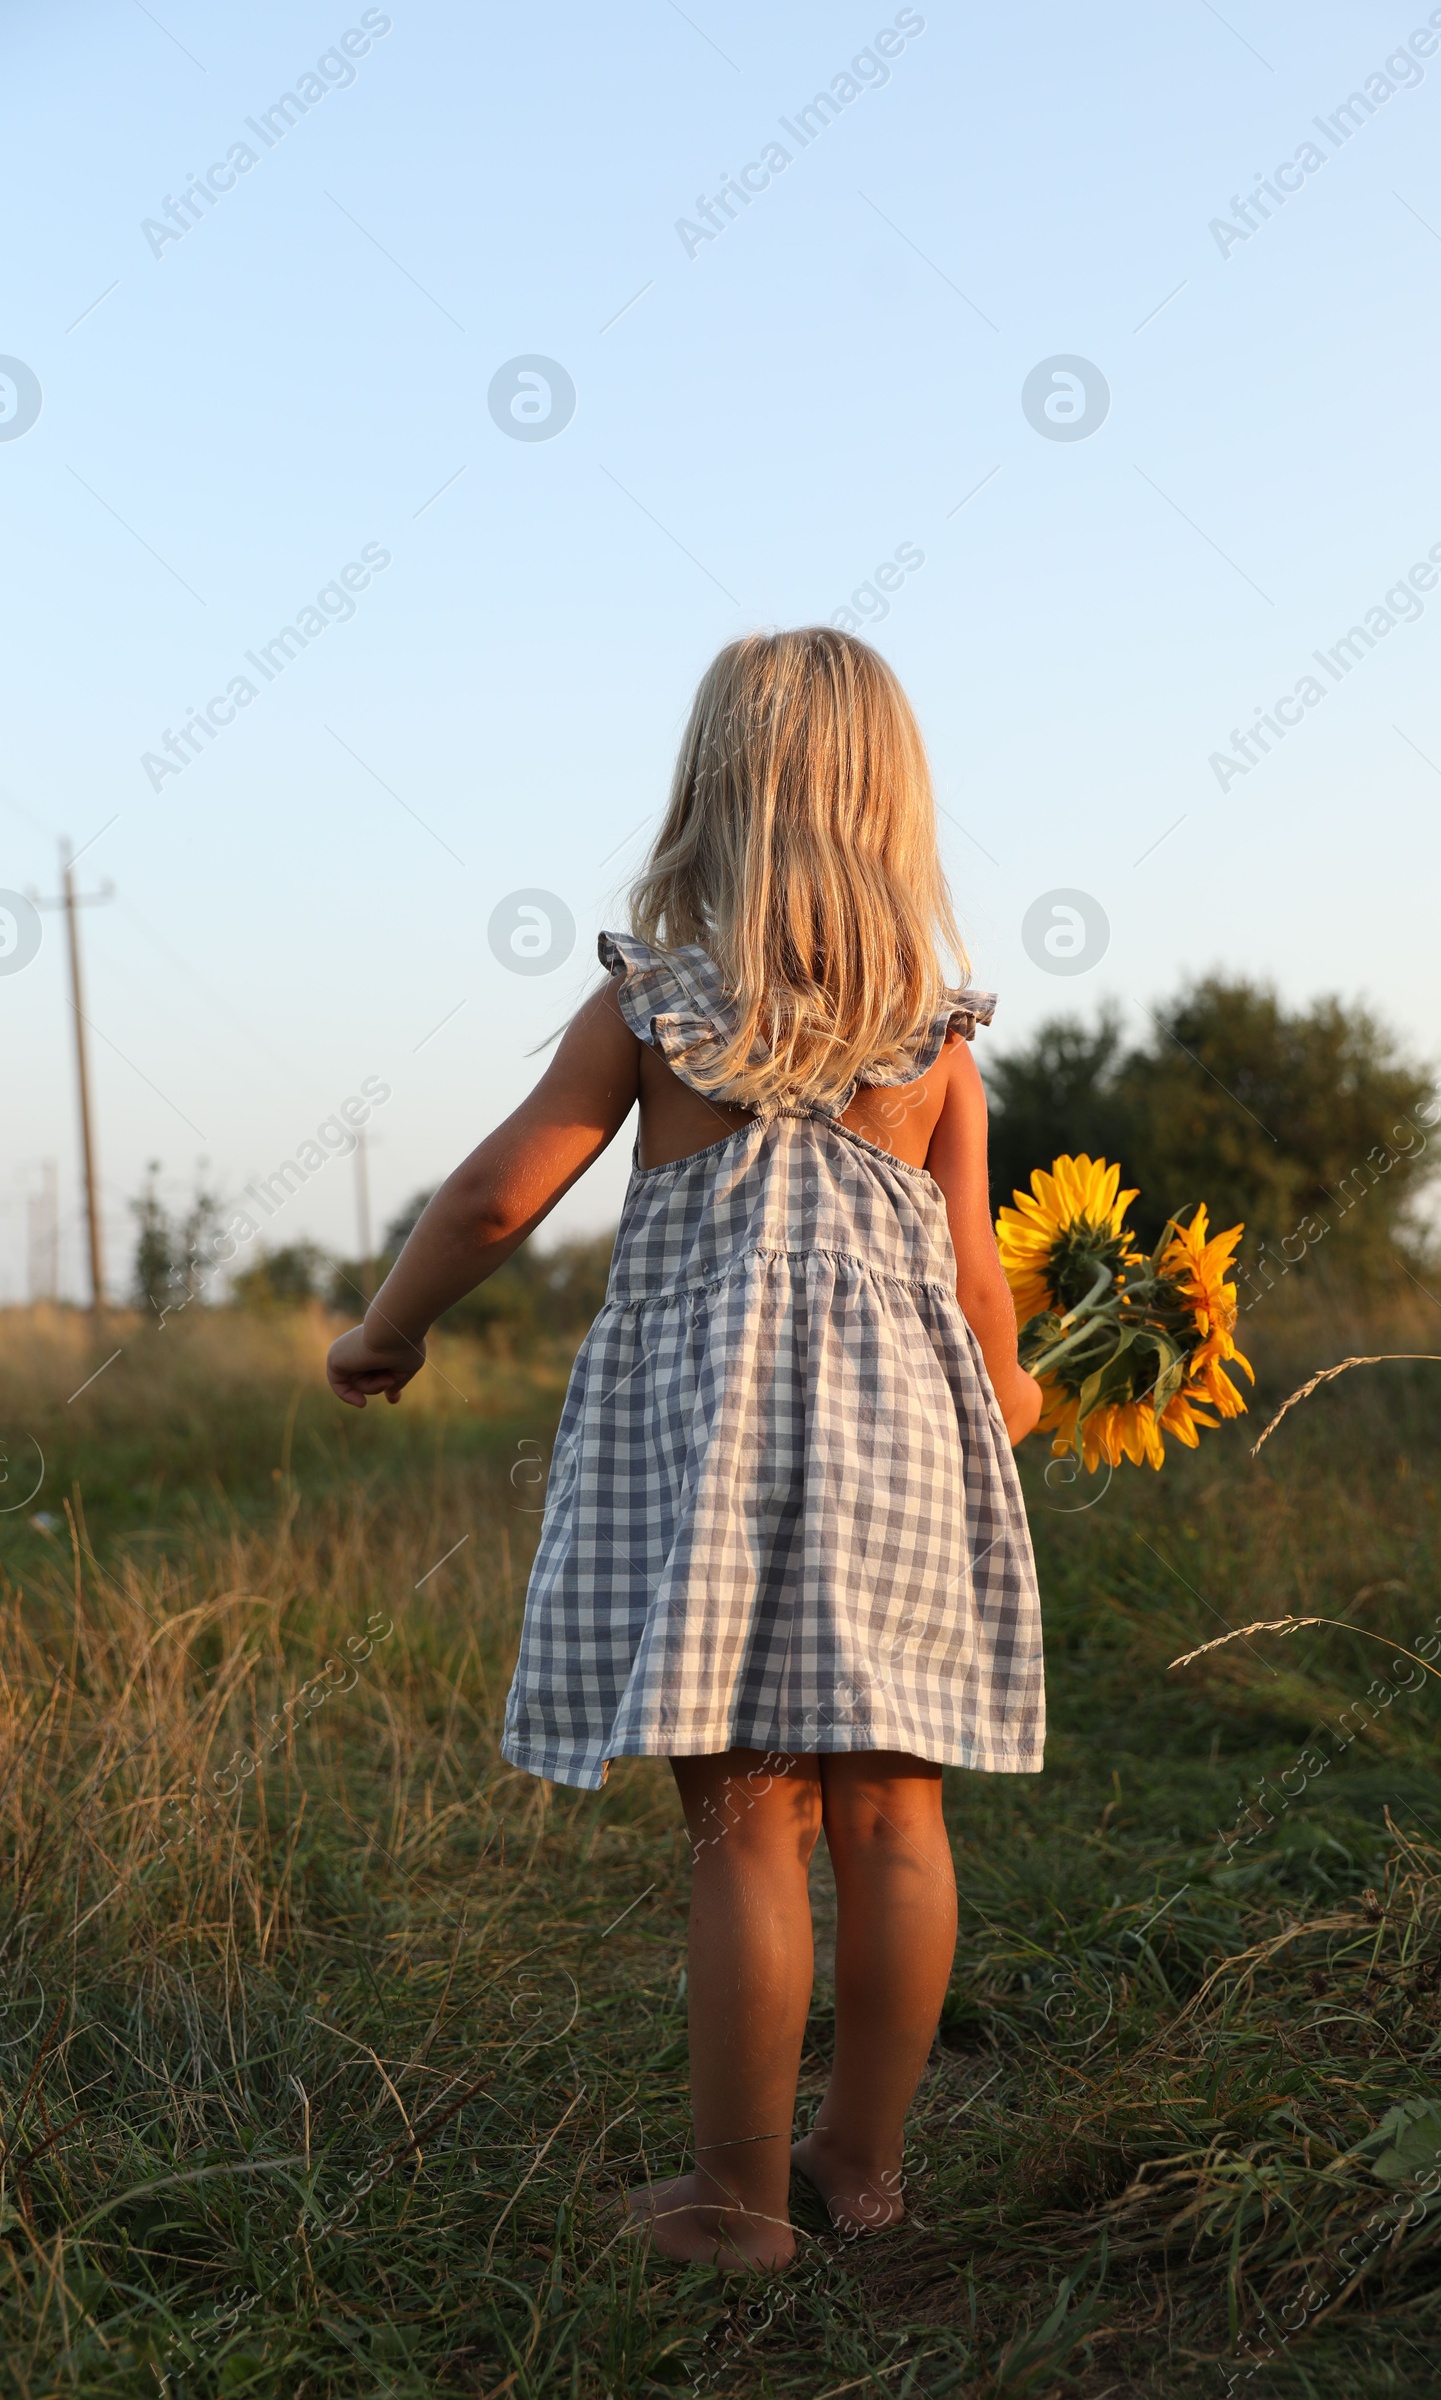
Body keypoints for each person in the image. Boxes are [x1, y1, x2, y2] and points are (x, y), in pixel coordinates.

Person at [327, 627, 1044, 2269]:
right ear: (894, 806)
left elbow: (500, 1192)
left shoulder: (655, 1001)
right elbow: (979, 1279)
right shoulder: (936, 1039)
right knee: (893, 1820)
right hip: (902, 1468)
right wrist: (1006, 1408)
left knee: (747, 1825)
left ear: (713, 793)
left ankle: (736, 2207)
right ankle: (861, 2169)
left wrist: (390, 1328)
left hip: (717, 1461)